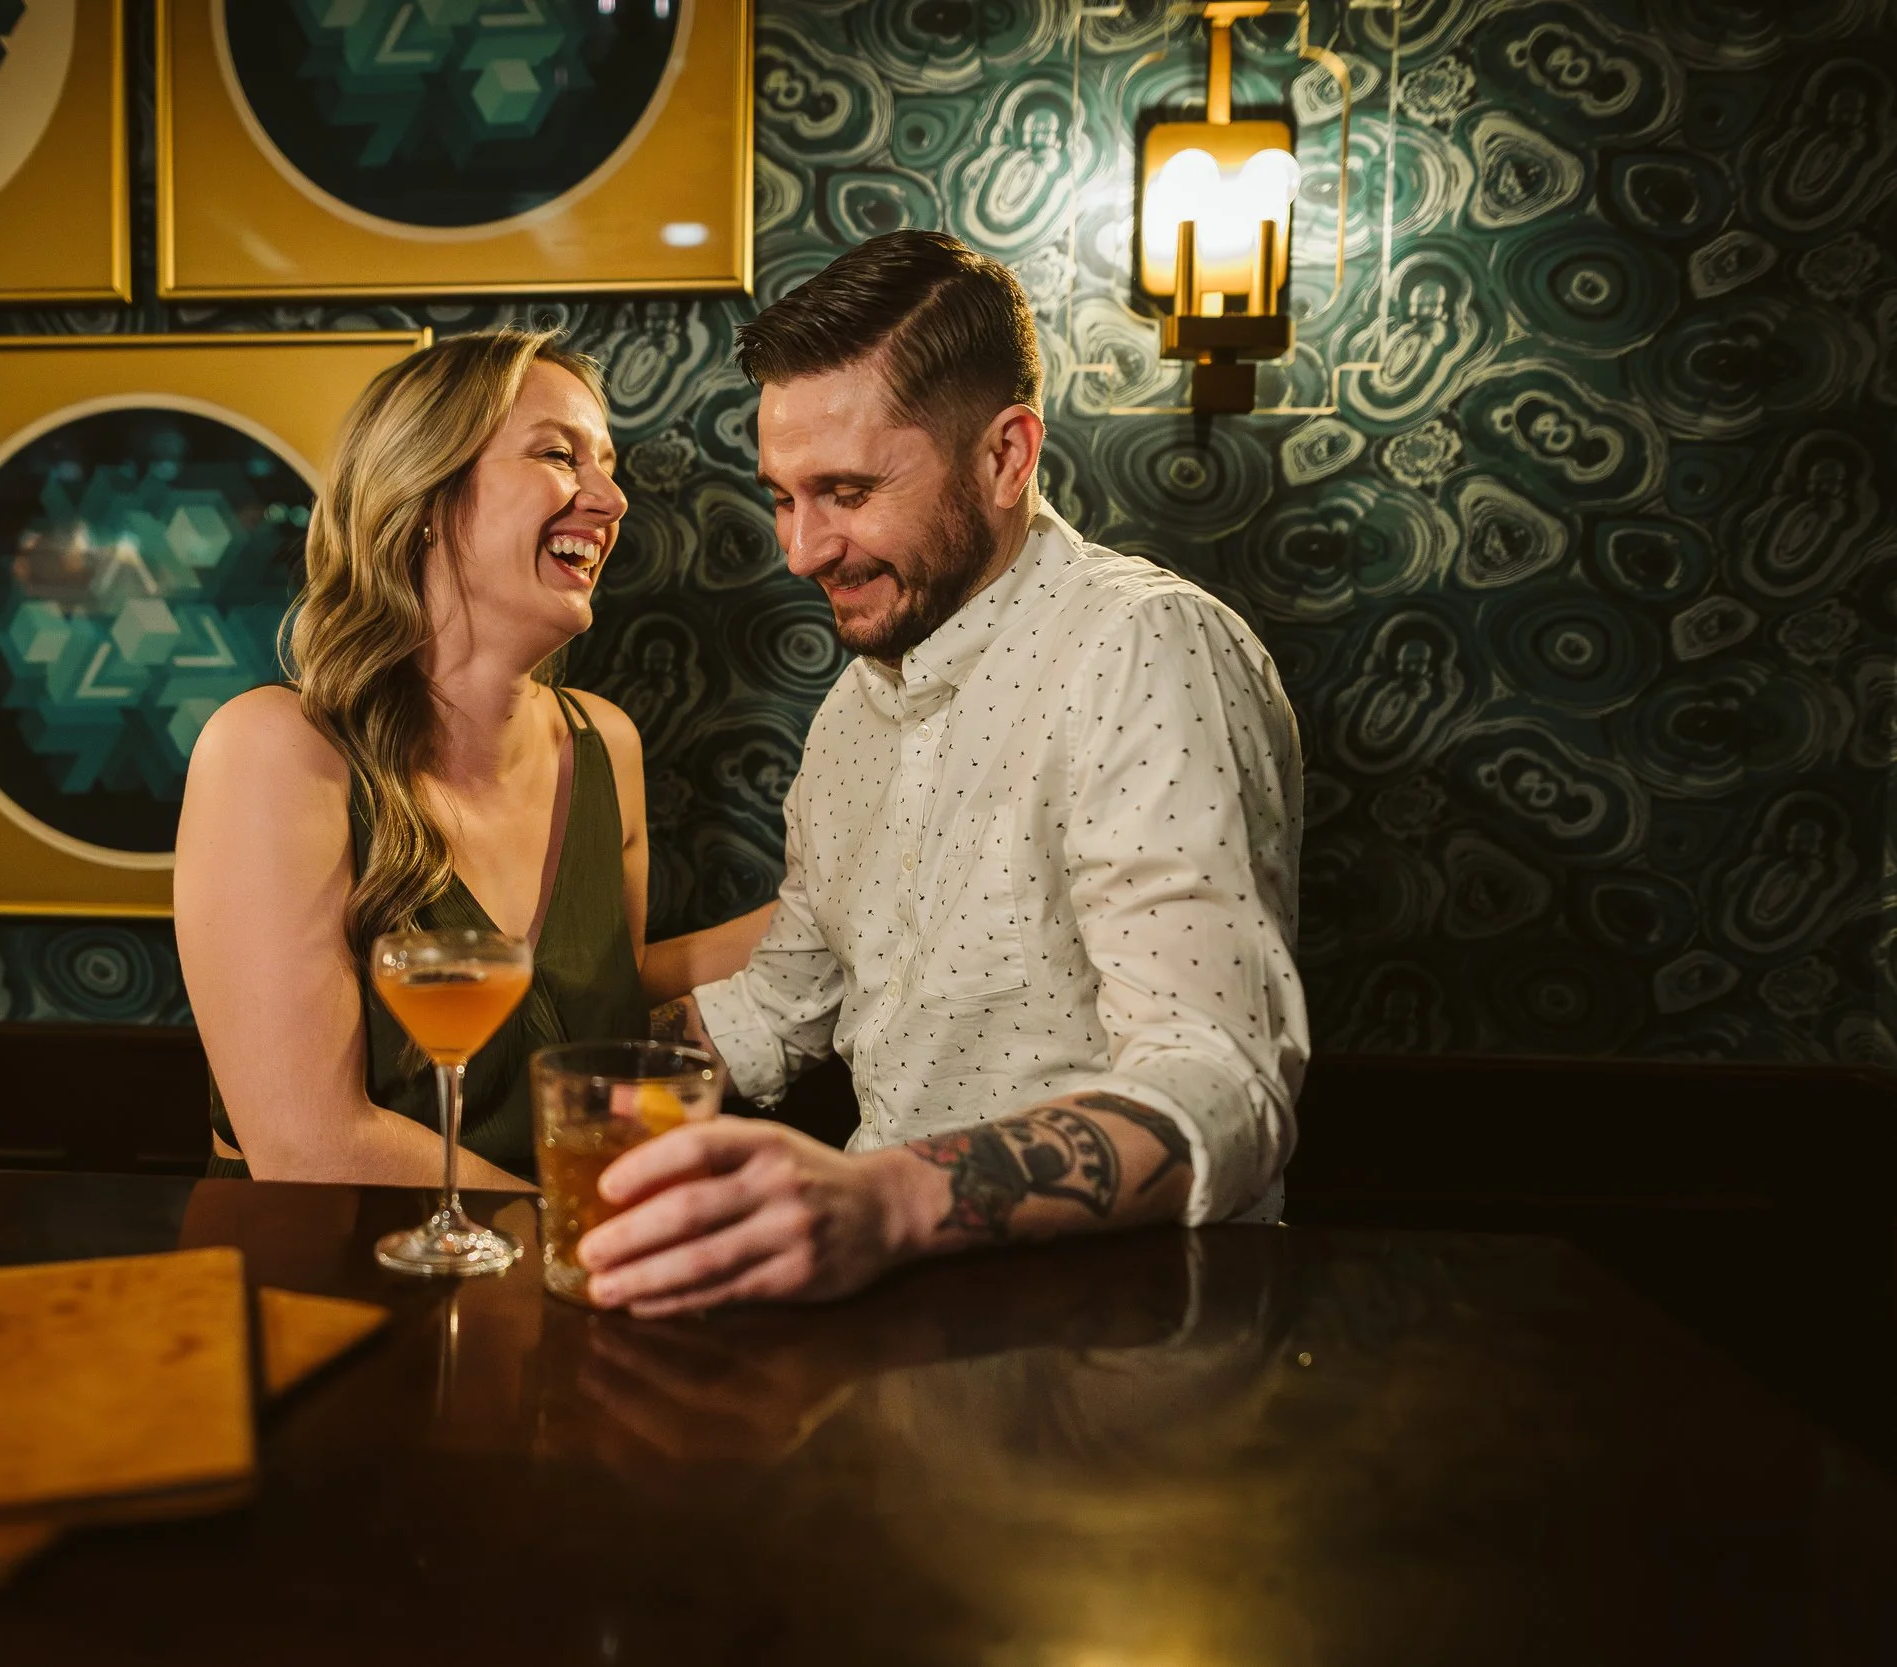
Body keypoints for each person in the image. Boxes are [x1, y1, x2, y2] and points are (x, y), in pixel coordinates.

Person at [577, 231, 1309, 1314]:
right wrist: (521, 1064)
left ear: (1006, 457)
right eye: (783, 496)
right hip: (902, 1316)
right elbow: (784, 1000)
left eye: (846, 489)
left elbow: (1220, 1086)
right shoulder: (852, 714)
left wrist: (883, 1202)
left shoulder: (1145, 647)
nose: (802, 549)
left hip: (1128, 1333)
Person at [174, 331, 765, 1187]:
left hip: (553, 1290)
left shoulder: (605, 745)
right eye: (561, 455)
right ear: (423, 493)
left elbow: (595, 984)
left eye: (610, 465)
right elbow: (310, 1146)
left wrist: (844, 916)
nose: (611, 499)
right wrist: (586, 1241)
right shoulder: (274, 749)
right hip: (332, 1288)